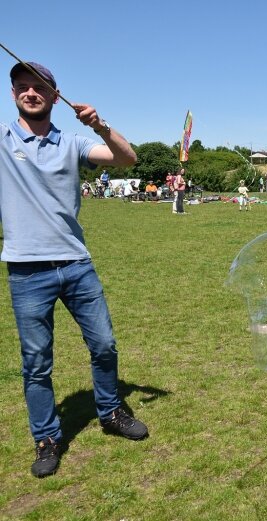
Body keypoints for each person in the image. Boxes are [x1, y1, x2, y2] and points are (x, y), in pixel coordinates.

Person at [1, 61, 148, 478]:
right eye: (23, 87)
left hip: (77, 265)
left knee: (104, 346)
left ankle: (110, 412)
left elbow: (127, 158)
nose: (31, 93)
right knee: (36, 363)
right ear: (14, 94)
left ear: (54, 94)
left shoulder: (73, 142)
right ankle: (47, 438)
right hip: (27, 272)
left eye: (39, 87)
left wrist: (101, 125)